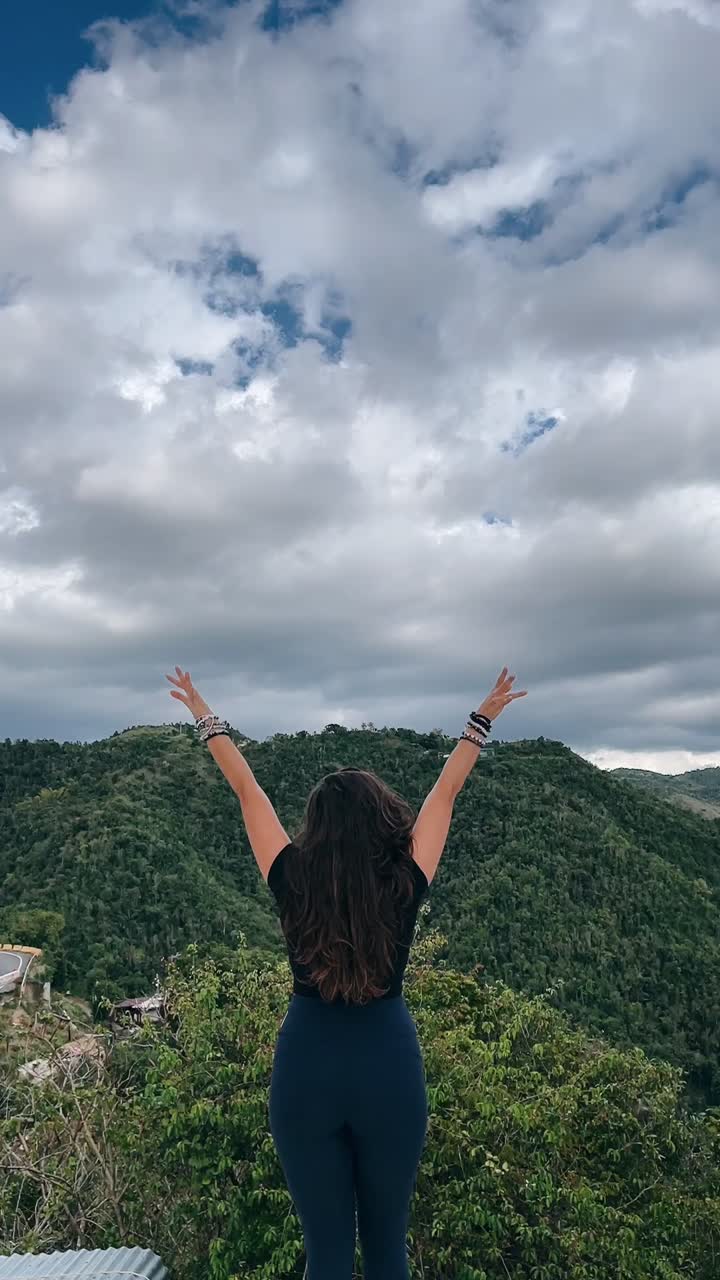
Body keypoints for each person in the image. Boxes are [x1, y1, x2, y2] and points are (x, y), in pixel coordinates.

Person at [165, 664, 527, 1279]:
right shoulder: (403, 882)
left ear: (318, 829)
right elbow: (444, 796)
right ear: (382, 820)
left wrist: (205, 717)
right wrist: (480, 721)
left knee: (327, 1255)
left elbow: (247, 790)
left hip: (306, 1067)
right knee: (388, 1251)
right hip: (388, 1065)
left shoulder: (291, 879)